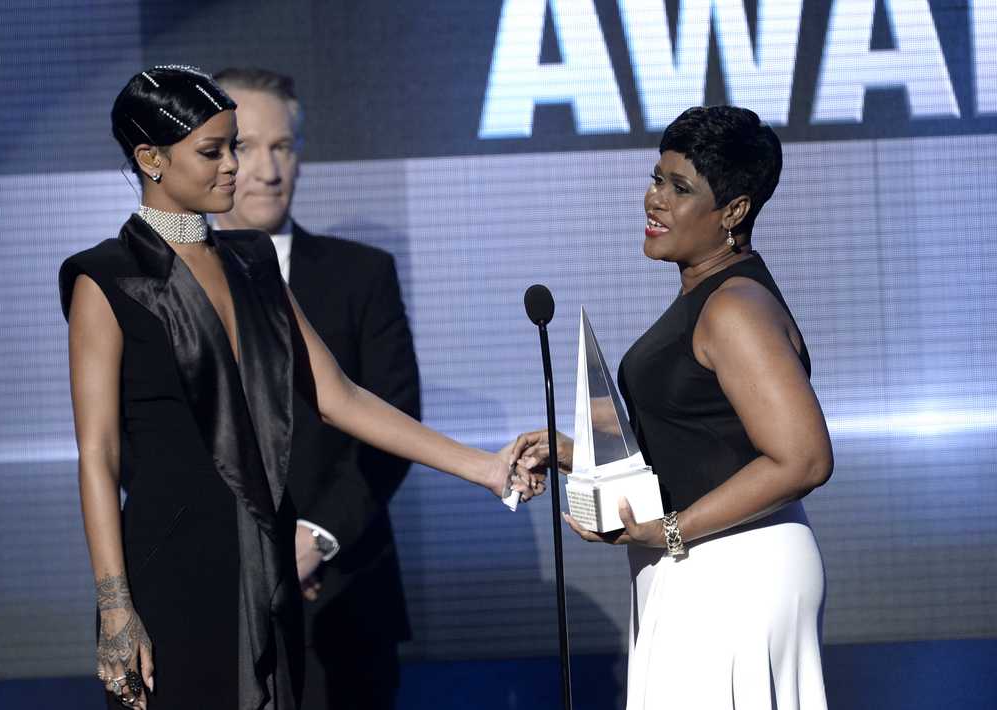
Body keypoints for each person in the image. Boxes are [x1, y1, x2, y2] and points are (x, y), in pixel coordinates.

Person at [61, 65, 543, 710]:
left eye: (235, 145)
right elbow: (98, 454)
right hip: (170, 568)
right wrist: (114, 603)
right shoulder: (106, 279)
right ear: (150, 158)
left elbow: (338, 395)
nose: (235, 166)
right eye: (214, 151)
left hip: (266, 561)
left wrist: (483, 468)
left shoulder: (253, 262)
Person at [520, 106, 832, 709]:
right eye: (657, 178)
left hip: (733, 572)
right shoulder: (709, 295)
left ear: (734, 212)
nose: (654, 200)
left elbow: (804, 459)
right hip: (703, 565)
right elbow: (700, 439)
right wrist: (576, 453)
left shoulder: (734, 308)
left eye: (680, 187)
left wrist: (668, 531)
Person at [211, 66, 418, 710]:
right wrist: (247, 553)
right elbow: (141, 440)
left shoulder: (362, 275)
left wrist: (315, 538)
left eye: (284, 147)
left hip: (342, 593)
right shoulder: (162, 282)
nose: (269, 170)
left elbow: (393, 423)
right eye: (246, 147)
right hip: (214, 597)